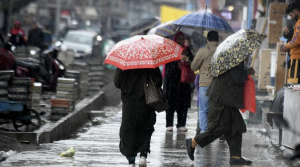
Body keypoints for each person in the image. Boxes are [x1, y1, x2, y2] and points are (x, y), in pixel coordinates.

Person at [185, 60, 255, 165]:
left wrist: (246, 70)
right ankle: (193, 142)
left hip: (227, 98)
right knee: (220, 127)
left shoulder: (234, 58)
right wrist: (246, 72)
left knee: (236, 126)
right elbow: (236, 78)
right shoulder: (236, 60)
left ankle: (235, 156)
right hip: (222, 99)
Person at [114, 67, 162, 167]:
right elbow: (159, 81)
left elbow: (117, 83)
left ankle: (131, 160)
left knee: (129, 131)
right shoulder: (150, 62)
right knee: (145, 128)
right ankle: (143, 156)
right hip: (146, 101)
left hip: (129, 103)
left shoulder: (124, 64)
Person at [191, 31, 219, 134]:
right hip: (218, 85)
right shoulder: (223, 51)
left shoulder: (203, 51)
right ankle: (215, 130)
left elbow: (193, 67)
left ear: (207, 40)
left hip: (205, 84)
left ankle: (204, 132)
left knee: (203, 110)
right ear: (218, 40)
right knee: (216, 110)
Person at [163, 31, 189, 131]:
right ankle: (169, 124)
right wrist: (177, 60)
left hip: (183, 83)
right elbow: (167, 65)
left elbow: (192, 63)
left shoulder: (187, 50)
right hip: (171, 82)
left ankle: (181, 124)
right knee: (170, 103)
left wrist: (185, 61)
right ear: (175, 39)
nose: (181, 41)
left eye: (183, 39)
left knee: (183, 104)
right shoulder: (170, 50)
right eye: (179, 38)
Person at [281, 2, 300, 84]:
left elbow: (297, 39)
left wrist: (287, 46)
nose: (291, 18)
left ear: (296, 11)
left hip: (297, 56)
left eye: (291, 15)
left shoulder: (299, 22)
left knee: (293, 84)